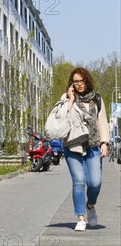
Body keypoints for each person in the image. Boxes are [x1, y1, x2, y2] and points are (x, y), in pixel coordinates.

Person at [61, 67, 108, 232]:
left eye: (81, 81)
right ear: (72, 83)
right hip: (72, 146)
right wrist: (71, 101)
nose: (79, 84)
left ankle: (90, 205)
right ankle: (80, 218)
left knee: (95, 182)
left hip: (93, 146)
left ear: (87, 81)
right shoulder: (66, 98)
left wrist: (104, 143)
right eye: (76, 81)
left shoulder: (97, 100)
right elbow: (62, 119)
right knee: (79, 181)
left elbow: (102, 122)